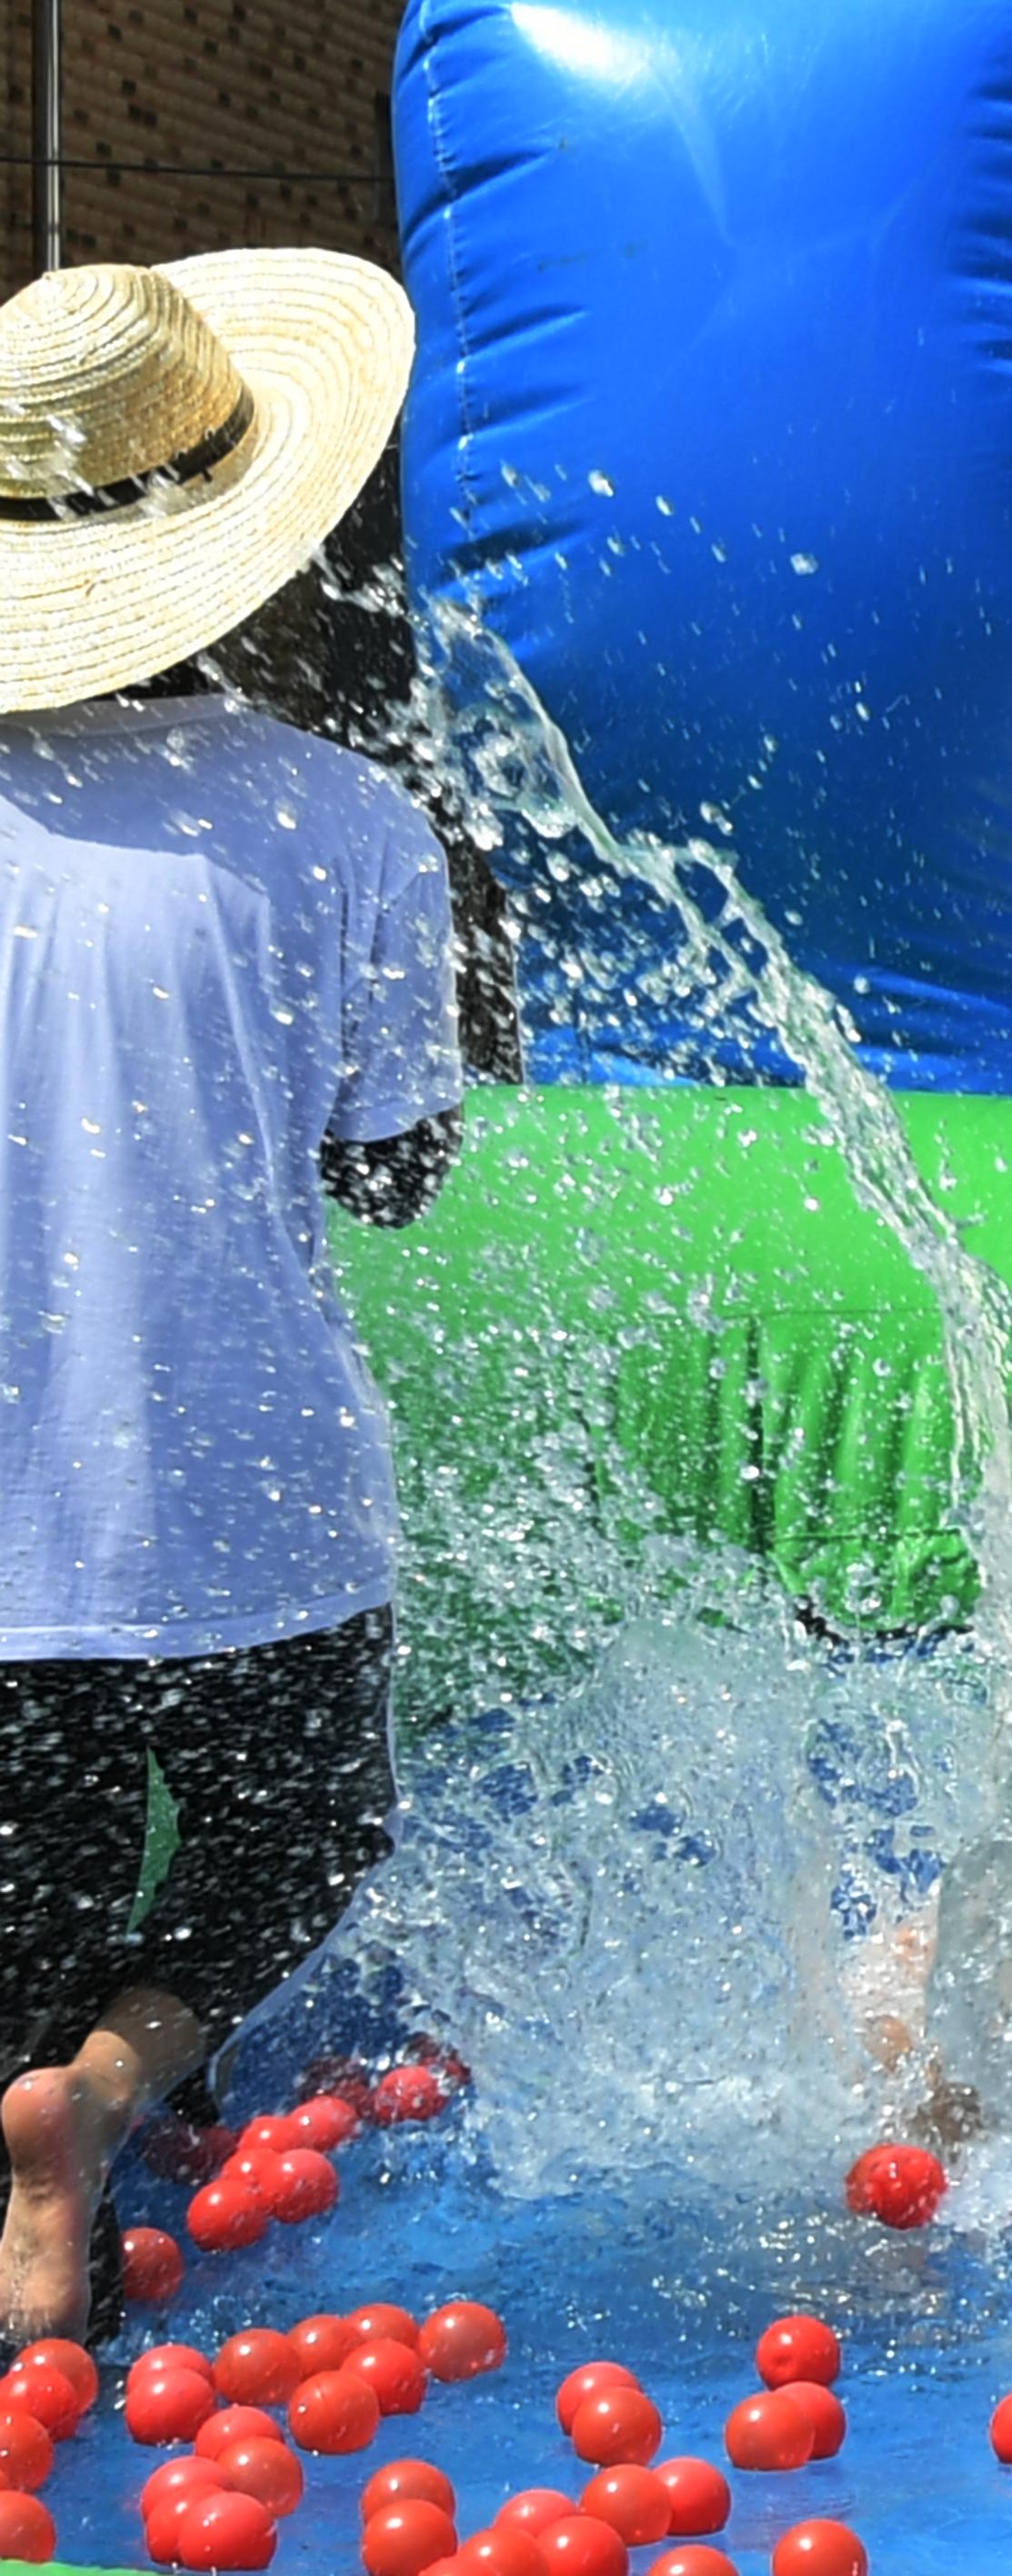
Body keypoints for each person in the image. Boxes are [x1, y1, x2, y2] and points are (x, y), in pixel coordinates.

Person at [0, 251, 460, 2340]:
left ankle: (46, 2303)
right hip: (259, 1510)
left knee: (20, 1949)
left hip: (9, 1548)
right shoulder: (343, 818)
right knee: (304, 1831)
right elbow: (392, 1168)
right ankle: (126, 2074)